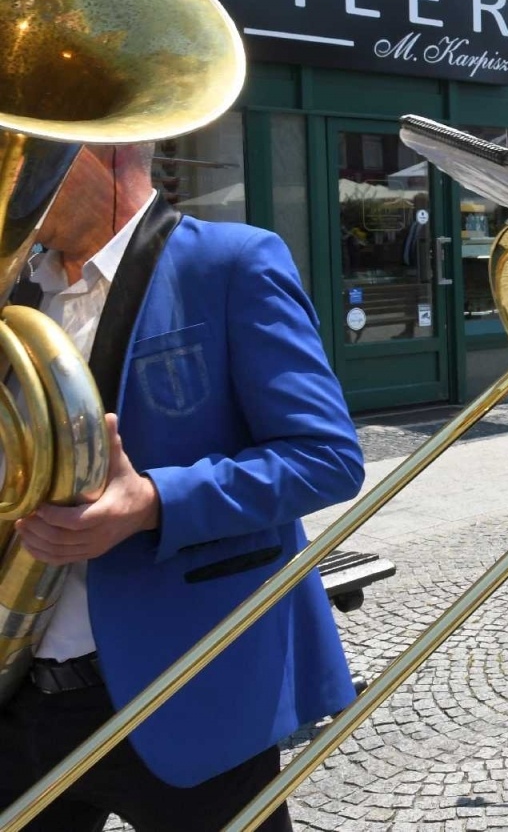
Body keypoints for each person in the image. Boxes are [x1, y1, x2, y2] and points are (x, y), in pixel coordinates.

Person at [0, 144, 365, 830]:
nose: (11, 169)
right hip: (22, 691)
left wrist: (153, 504)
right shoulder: (19, 288)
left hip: (182, 689)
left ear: (107, 146)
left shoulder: (232, 261)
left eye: (28, 147)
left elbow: (326, 456)